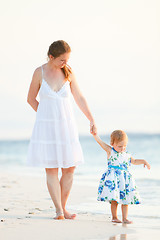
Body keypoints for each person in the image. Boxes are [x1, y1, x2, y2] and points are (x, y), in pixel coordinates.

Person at [27, 40, 97, 220]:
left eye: (67, 59)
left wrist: (91, 118)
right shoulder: (39, 72)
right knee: (51, 169)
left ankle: (64, 208)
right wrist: (45, 116)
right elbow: (31, 99)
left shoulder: (69, 72)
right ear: (51, 57)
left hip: (67, 127)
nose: (65, 63)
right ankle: (58, 210)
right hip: (47, 129)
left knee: (70, 168)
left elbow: (79, 97)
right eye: (62, 60)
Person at [92, 130, 150, 224]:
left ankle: (125, 218)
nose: (122, 148)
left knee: (125, 200)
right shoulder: (110, 151)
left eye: (124, 146)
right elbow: (101, 143)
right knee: (114, 200)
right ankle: (114, 217)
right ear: (112, 143)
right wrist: (95, 135)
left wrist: (144, 161)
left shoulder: (127, 155)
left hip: (125, 180)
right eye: (120, 146)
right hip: (114, 179)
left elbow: (134, 161)